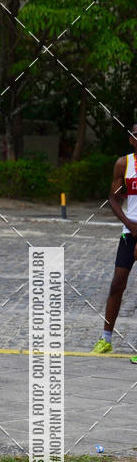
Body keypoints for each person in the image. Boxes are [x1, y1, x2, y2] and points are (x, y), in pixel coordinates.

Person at [92, 123, 137, 357]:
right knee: (117, 283)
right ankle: (106, 339)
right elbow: (113, 198)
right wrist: (129, 223)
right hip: (129, 232)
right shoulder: (124, 163)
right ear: (131, 138)